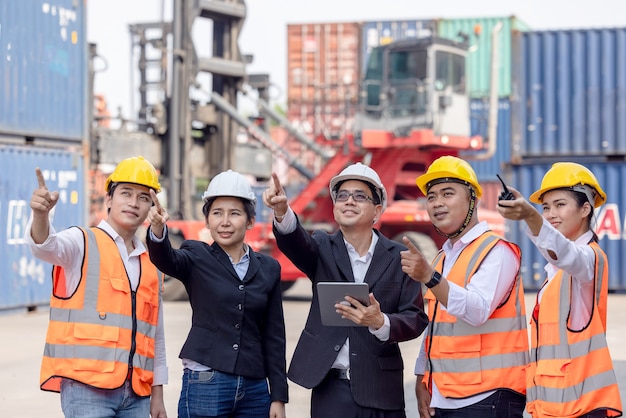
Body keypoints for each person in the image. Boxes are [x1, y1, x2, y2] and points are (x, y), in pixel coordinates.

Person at [263, 162, 428, 418]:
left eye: (360, 196)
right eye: (342, 196)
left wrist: (381, 322)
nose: (349, 201)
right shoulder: (321, 247)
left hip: (381, 390)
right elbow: (296, 243)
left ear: (377, 210)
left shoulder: (399, 258)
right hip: (332, 390)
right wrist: (282, 212)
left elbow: (415, 318)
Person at [25, 156, 168, 418]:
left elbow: (154, 336)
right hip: (87, 389)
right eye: (126, 193)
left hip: (137, 394)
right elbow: (45, 246)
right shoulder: (82, 241)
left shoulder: (151, 263)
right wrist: (40, 215)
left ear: (151, 206)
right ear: (109, 200)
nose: (134, 203)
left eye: (143, 197)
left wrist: (157, 394)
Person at [145, 170, 288, 418]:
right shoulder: (196, 256)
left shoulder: (268, 268)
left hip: (254, 388)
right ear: (207, 221)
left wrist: (278, 396)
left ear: (250, 221)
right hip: (205, 383)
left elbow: (274, 335)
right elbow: (165, 258)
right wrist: (158, 230)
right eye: (217, 213)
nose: (225, 222)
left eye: (235, 213)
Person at [400, 155, 529, 417]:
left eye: (447, 193)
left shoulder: (496, 251)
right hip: (446, 396)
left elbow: (477, 310)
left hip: (488, 397)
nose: (437, 203)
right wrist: (422, 377)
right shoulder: (442, 257)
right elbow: (436, 326)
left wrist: (430, 277)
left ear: (473, 199)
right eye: (432, 196)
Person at [497, 162, 622, 418]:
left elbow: (567, 254)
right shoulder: (555, 272)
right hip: (553, 404)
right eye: (545, 207)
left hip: (581, 406)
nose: (551, 213)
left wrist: (529, 216)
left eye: (560, 204)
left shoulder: (589, 260)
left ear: (585, 208)